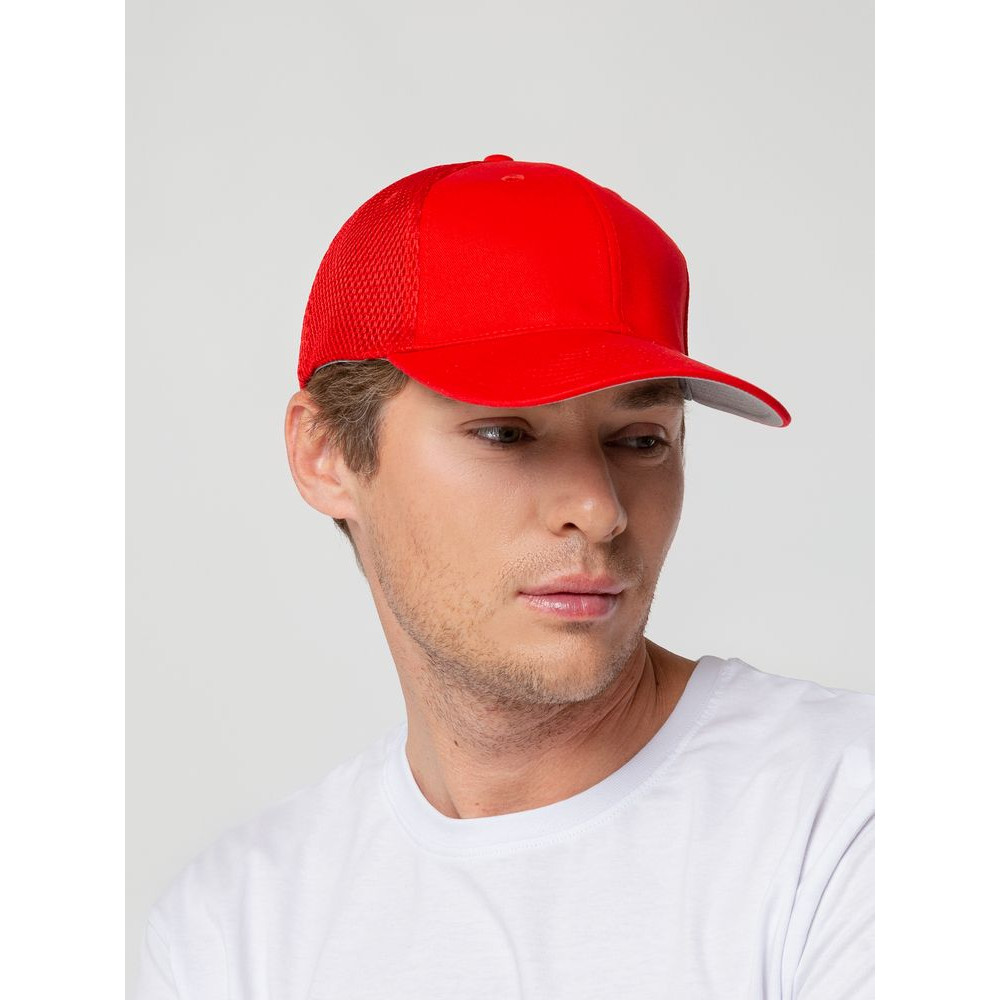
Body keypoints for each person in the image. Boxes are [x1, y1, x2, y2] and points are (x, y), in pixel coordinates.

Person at [134, 155, 874, 999]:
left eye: (641, 440)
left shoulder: (852, 815)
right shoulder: (233, 928)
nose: (599, 509)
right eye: (505, 434)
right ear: (327, 453)